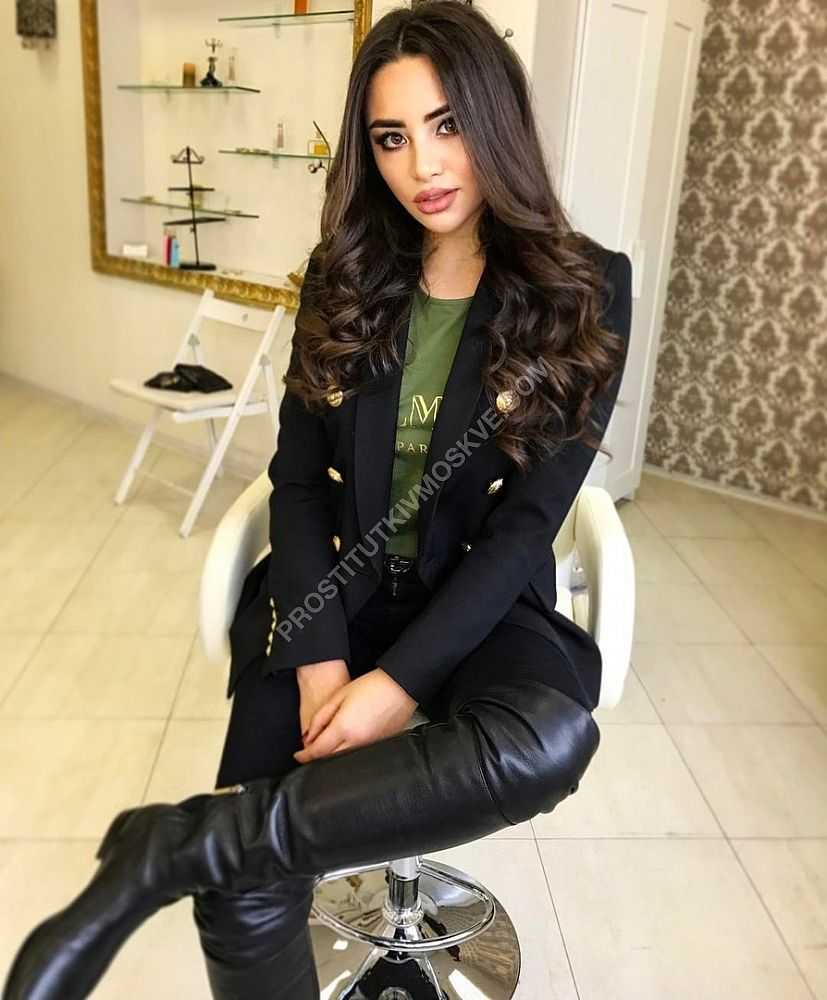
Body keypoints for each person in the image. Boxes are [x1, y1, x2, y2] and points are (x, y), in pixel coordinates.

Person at [2, 2, 633, 998]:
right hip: (332, 588)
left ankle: (176, 845)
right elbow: (296, 482)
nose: (423, 166)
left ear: (497, 119)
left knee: (550, 737)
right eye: (391, 137)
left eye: (447, 125)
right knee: (247, 888)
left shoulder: (586, 288)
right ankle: (213, 852)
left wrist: (394, 686)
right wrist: (318, 655)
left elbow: (524, 527)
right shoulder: (344, 276)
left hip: (477, 603)